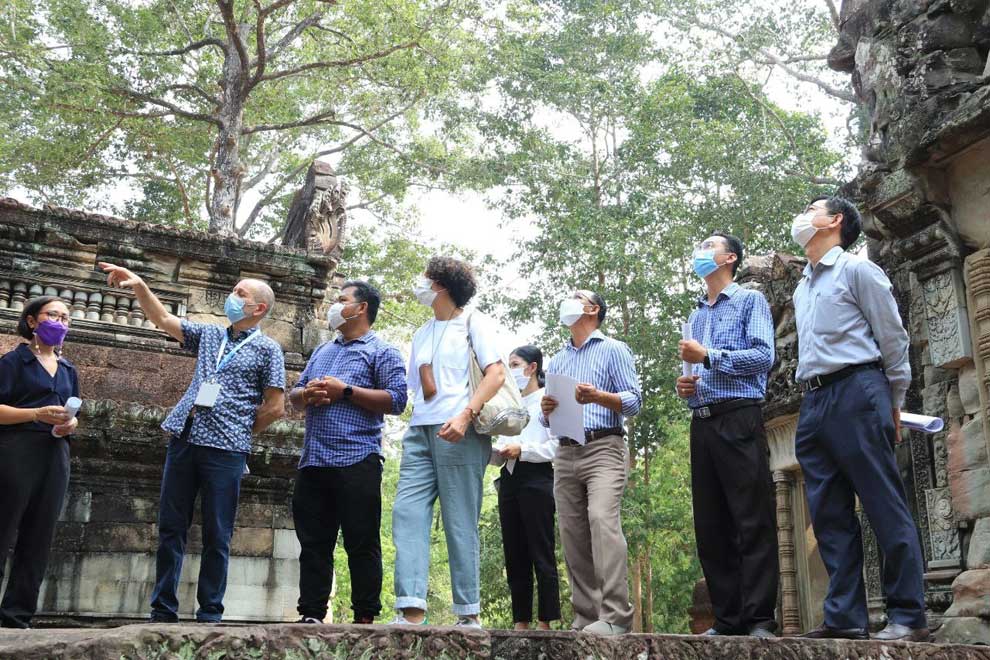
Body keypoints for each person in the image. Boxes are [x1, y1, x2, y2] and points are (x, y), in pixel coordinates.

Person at [99, 262, 286, 624]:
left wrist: (239, 432)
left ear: (258, 308)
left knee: (218, 533)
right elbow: (165, 320)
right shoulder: (211, 336)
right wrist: (139, 286)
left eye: (240, 293)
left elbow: (276, 407)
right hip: (185, 438)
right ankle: (162, 609)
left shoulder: (268, 350)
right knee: (171, 527)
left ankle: (210, 613)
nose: (232, 297)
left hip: (226, 449)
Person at [789, 197, 929, 641]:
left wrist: (895, 399)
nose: (804, 214)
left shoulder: (857, 270)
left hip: (858, 390)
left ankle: (908, 615)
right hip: (813, 402)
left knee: (883, 503)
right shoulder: (802, 286)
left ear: (835, 221)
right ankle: (845, 617)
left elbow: (892, 337)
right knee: (828, 514)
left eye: (812, 208)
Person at [390, 256, 506, 628]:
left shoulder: (474, 323)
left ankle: (467, 614)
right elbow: (419, 386)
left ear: (441, 285)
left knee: (459, 522)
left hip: (461, 430)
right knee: (406, 512)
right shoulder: (422, 331)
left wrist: (465, 415)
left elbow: (497, 374)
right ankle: (410, 610)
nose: (419, 283)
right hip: (420, 431)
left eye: (425, 278)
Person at [675, 233, 778, 638]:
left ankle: (759, 620)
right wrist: (684, 386)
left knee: (751, 518)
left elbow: (763, 356)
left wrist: (709, 357)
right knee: (711, 524)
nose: (700, 251)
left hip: (739, 416)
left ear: (730, 257)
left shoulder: (750, 300)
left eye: (709, 245)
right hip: (701, 420)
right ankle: (727, 619)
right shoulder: (695, 315)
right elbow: (691, 375)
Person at [288, 280, 407, 625]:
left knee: (361, 542)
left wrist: (347, 391)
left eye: (341, 300)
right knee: (313, 543)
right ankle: (311, 614)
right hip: (313, 460)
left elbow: (397, 401)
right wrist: (306, 395)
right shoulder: (323, 352)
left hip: (358, 459)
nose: (334, 305)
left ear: (361, 308)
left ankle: (365, 618)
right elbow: (293, 395)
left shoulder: (383, 352)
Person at [540, 290, 642, 636]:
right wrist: (545, 412)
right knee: (571, 533)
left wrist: (599, 396)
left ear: (593, 309)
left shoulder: (613, 349)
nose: (567, 299)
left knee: (601, 520)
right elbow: (547, 418)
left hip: (604, 447)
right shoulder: (557, 359)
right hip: (565, 450)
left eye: (576, 296)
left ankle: (615, 616)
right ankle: (585, 617)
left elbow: (634, 400)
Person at [0, 297, 79, 628]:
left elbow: (72, 412)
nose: (59, 322)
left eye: (65, 317)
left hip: (55, 452)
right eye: (52, 315)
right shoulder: (13, 363)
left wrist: (70, 423)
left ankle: (16, 616)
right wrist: (35, 413)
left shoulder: (68, 369)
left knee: (39, 536)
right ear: (32, 322)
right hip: (16, 449)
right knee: (2, 530)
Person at [493, 345, 559, 630]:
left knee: (540, 549)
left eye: (515, 364)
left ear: (532, 367)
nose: (512, 370)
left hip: (538, 477)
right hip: (508, 477)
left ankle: (546, 620)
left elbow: (557, 446)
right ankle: (520, 620)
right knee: (514, 550)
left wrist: (523, 449)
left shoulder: (549, 399)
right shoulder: (508, 403)